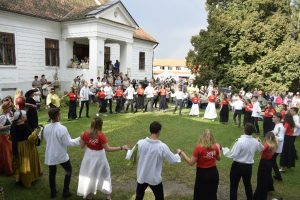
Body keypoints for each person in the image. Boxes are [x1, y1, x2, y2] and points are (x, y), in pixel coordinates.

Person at [77, 117, 129, 200]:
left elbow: (81, 146)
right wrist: (121, 147)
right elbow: (107, 149)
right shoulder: (101, 135)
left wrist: (83, 139)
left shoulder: (85, 133)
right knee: (105, 174)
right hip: (99, 157)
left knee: (90, 174)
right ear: (100, 125)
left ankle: (89, 195)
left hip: (88, 156)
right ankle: (108, 195)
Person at [127, 121, 181, 200]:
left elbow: (131, 155)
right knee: (159, 198)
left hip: (142, 175)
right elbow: (172, 159)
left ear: (150, 130)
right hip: (154, 178)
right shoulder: (162, 146)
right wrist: (178, 154)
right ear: (159, 131)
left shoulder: (140, 143)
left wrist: (128, 150)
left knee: (139, 197)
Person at [44, 108, 81, 198]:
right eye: (59, 114)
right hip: (60, 154)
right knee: (68, 170)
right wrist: (81, 138)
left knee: (52, 173)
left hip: (51, 154)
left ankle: (53, 192)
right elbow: (69, 142)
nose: (60, 115)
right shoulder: (62, 128)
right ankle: (65, 191)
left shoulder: (46, 127)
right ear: (57, 116)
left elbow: (46, 138)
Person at [225, 123, 264, 200]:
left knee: (234, 185)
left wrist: (224, 149)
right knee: (247, 185)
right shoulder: (255, 141)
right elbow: (262, 148)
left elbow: (232, 154)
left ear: (244, 130)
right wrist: (259, 141)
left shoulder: (240, 141)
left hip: (237, 166)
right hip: (248, 167)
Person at [179, 129, 221, 200]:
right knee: (212, 194)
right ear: (211, 137)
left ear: (202, 137)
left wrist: (181, 152)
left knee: (200, 195)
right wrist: (219, 149)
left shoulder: (199, 148)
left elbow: (191, 163)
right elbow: (219, 158)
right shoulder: (215, 146)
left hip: (202, 174)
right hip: (213, 173)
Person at [12, 108, 42, 188]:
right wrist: (36, 132)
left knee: (21, 163)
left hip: (18, 146)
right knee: (27, 163)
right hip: (26, 146)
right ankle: (28, 179)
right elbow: (31, 138)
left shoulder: (13, 125)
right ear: (21, 118)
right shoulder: (25, 126)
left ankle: (20, 179)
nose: (26, 116)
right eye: (25, 115)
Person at [253, 132, 278, 200]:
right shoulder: (274, 143)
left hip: (264, 163)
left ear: (268, 138)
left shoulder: (267, 145)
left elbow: (261, 151)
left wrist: (258, 142)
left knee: (261, 179)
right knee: (266, 178)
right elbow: (264, 148)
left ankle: (260, 195)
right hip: (269, 162)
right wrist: (260, 142)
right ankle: (263, 192)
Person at [0, 102, 14, 176]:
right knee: (6, 155)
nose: (10, 109)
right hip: (3, 137)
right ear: (5, 109)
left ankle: (6, 168)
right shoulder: (2, 116)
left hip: (7, 136)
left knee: (8, 154)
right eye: (9, 107)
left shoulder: (7, 115)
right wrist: (8, 126)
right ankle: (8, 170)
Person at [272, 113, 285, 181]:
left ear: (278, 118)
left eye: (274, 117)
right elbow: (276, 133)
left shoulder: (280, 127)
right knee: (272, 161)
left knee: (272, 161)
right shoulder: (277, 125)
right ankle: (278, 176)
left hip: (277, 147)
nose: (272, 118)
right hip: (276, 147)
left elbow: (281, 138)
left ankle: (278, 176)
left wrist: (273, 136)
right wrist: (272, 132)